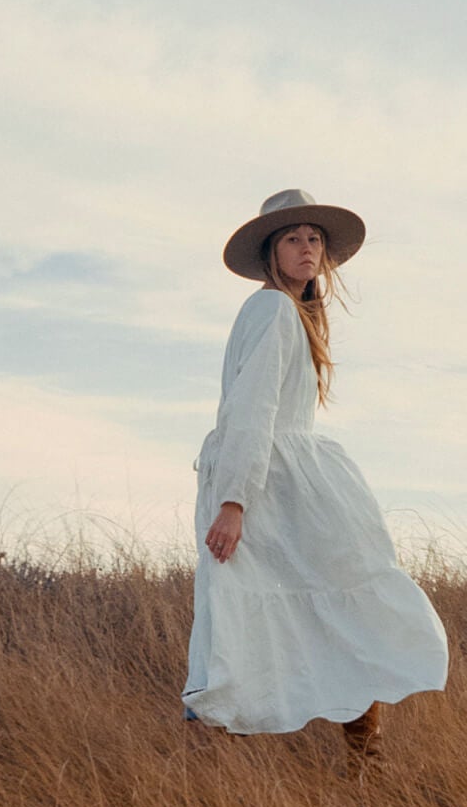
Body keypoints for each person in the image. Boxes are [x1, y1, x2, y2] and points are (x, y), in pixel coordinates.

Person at [183, 189, 448, 761]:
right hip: (267, 481)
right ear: (271, 253)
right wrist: (234, 500)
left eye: (314, 240)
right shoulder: (272, 308)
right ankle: (231, 751)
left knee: (325, 611)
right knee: (267, 610)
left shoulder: (296, 315)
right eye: (292, 239)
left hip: (288, 479)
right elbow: (251, 409)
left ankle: (362, 758)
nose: (306, 249)